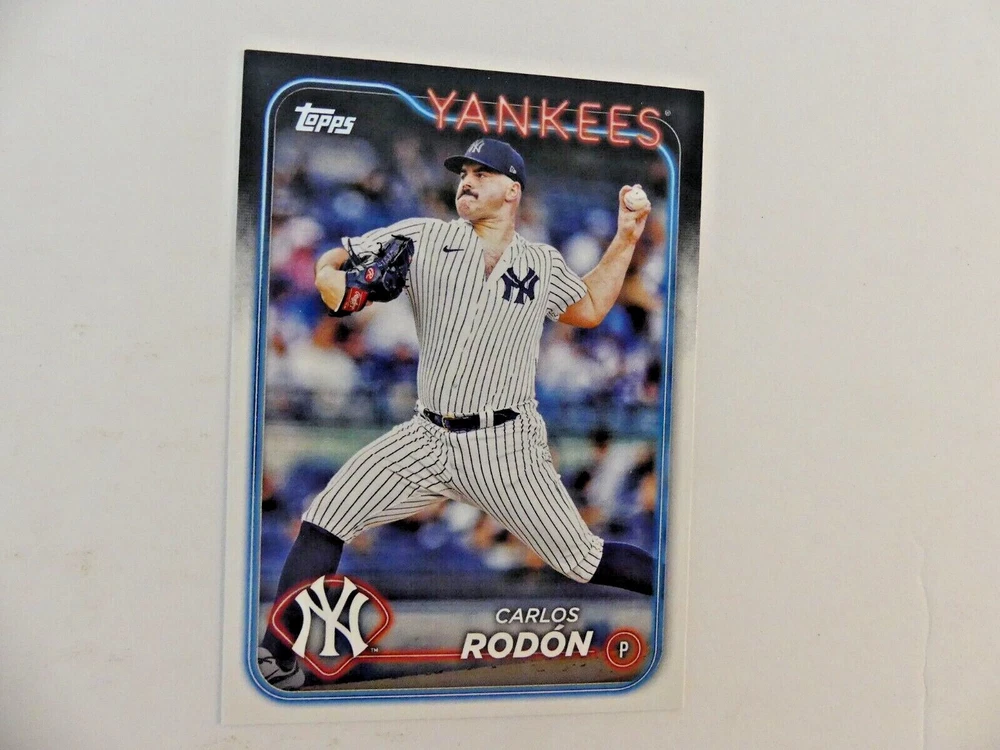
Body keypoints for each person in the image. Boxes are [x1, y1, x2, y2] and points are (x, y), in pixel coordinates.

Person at [258, 138, 656, 688]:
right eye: (463, 171)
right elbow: (332, 264)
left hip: (506, 444)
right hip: (427, 436)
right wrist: (338, 284)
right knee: (326, 517)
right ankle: (276, 656)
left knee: (581, 560)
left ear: (512, 190)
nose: (467, 180)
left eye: (482, 172)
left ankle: (685, 594)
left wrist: (627, 235)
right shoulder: (423, 236)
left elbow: (588, 308)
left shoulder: (541, 261)